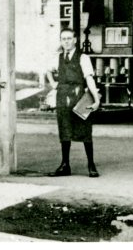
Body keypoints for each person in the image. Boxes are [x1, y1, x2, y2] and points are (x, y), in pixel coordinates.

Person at [46, 27, 101, 177]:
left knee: (85, 131)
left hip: (79, 97)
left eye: (69, 38)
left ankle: (91, 164)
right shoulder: (57, 57)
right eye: (63, 39)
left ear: (75, 40)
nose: (66, 41)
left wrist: (96, 100)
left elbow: (89, 79)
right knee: (65, 131)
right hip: (62, 97)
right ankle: (65, 165)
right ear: (61, 41)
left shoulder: (83, 58)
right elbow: (48, 71)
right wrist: (53, 84)